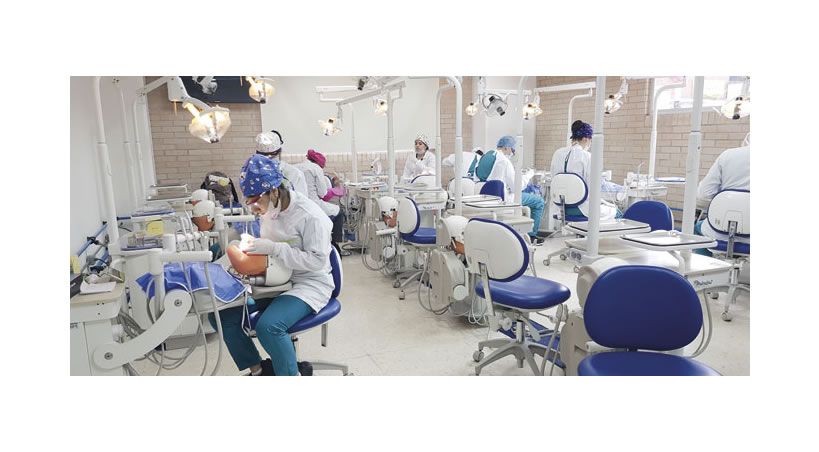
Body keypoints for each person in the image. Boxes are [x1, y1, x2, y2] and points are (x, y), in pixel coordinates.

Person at [209, 154, 334, 376]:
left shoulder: (311, 216)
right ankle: (260, 370)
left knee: (269, 327)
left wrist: (275, 249)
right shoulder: (271, 209)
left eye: (256, 201)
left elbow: (317, 261)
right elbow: (269, 246)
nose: (254, 208)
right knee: (221, 314)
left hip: (308, 283)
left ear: (274, 191)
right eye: (250, 202)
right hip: (276, 279)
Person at [549, 120, 619, 221]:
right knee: (615, 211)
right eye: (591, 140)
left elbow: (554, 178)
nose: (590, 143)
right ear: (586, 139)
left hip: (559, 207)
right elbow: (592, 187)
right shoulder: (587, 156)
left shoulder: (558, 153)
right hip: (580, 209)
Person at [488, 135, 545, 243]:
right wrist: (529, 175)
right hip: (504, 200)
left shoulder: (489, 155)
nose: (512, 153)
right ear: (506, 147)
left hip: (487, 199)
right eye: (512, 150)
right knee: (539, 202)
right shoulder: (504, 161)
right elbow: (517, 187)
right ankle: (532, 236)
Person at [695, 144, 750, 245]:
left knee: (698, 229)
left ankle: (697, 256)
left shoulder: (728, 155)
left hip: (717, 235)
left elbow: (703, 197)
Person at [297, 149, 347, 256]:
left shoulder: (296, 167)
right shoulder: (316, 169)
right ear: (320, 163)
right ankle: (334, 243)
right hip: (313, 204)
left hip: (298, 205)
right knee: (339, 212)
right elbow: (323, 193)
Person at [255, 130, 308, 197]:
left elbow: (302, 200)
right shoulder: (252, 174)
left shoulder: (294, 174)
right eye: (263, 155)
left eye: (272, 155)